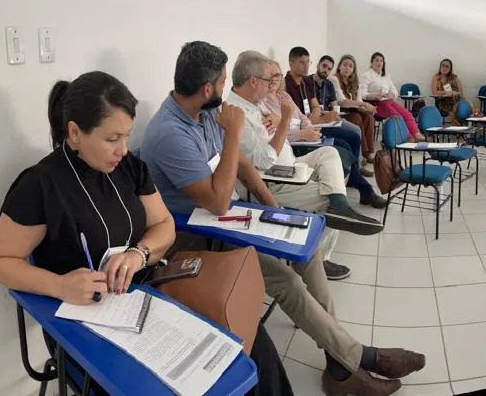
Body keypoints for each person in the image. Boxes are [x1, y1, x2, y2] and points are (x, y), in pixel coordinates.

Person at [139, 41, 424, 395]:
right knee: (286, 281)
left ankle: (340, 363)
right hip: (197, 238)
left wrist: (274, 209)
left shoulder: (204, 113)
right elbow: (216, 199)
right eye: (224, 81)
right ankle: (355, 359)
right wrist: (233, 134)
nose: (228, 88)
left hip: (227, 220)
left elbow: (242, 167)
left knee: (307, 244)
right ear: (207, 89)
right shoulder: (171, 133)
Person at [0, 71, 294, 395]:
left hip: (149, 294)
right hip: (85, 320)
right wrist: (59, 285)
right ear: (75, 133)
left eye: (127, 136)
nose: (122, 149)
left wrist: (139, 254)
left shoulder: (129, 167)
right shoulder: (40, 185)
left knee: (250, 344)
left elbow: (164, 225)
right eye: (111, 139)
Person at [262, 59, 388, 211]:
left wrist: (310, 129)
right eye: (269, 75)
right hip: (294, 144)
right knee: (342, 147)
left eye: (277, 75)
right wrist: (301, 133)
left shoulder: (284, 96)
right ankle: (361, 188)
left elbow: (303, 117)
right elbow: (275, 135)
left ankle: (352, 182)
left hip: (309, 135)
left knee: (347, 142)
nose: (273, 79)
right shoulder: (262, 104)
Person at [284, 47, 369, 163]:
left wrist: (318, 115)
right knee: (346, 143)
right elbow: (296, 121)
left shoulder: (306, 82)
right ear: (291, 64)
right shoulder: (285, 86)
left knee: (354, 136)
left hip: (317, 122)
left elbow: (316, 106)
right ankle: (353, 175)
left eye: (308, 62)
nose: (306, 66)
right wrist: (321, 119)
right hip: (306, 129)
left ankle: (356, 171)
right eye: (302, 62)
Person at [326, 55, 382, 161]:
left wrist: (367, 109)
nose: (347, 68)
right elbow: (342, 102)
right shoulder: (334, 79)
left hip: (353, 111)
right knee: (356, 117)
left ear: (353, 69)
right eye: (345, 65)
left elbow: (359, 102)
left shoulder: (355, 82)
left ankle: (370, 152)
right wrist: (365, 105)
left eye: (351, 66)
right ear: (339, 67)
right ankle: (363, 152)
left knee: (369, 117)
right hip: (340, 112)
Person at [358, 52, 424, 141]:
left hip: (388, 101)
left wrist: (391, 94)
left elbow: (395, 91)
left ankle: (417, 134)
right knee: (397, 117)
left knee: (407, 114)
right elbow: (362, 94)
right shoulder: (366, 76)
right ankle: (408, 137)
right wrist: (374, 96)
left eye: (381, 61)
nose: (379, 63)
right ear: (371, 62)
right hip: (375, 103)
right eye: (377, 60)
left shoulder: (386, 76)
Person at [431, 58, 464, 125]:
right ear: (440, 67)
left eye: (447, 66)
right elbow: (434, 92)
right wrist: (446, 92)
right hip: (442, 101)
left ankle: (463, 127)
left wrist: (452, 93)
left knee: (465, 106)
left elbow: (461, 93)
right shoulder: (436, 77)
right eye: (443, 66)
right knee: (453, 110)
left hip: (455, 99)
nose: (444, 68)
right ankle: (460, 130)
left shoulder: (454, 78)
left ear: (450, 69)